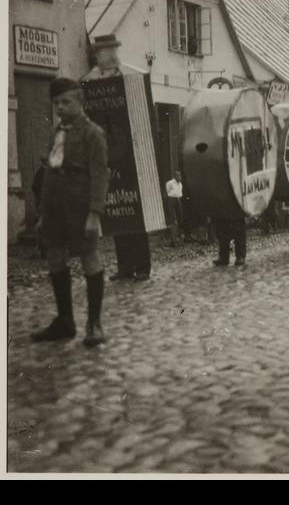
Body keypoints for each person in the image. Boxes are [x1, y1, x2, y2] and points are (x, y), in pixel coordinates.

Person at [32, 78, 110, 347]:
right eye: (56, 103)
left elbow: (100, 175)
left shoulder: (92, 133)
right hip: (55, 206)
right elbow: (50, 174)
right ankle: (65, 321)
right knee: (54, 256)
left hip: (80, 205)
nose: (60, 107)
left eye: (66, 102)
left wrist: (94, 213)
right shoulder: (56, 133)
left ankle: (94, 323)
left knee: (89, 256)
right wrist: (43, 213)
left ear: (80, 102)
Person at [85, 34, 153, 282]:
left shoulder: (129, 77)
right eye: (104, 51)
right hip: (106, 158)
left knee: (135, 217)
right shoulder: (91, 83)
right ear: (97, 54)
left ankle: (142, 267)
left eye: (112, 49)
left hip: (130, 157)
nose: (109, 55)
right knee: (116, 216)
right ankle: (125, 266)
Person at [165, 171, 184, 246]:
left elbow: (179, 193)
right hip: (171, 201)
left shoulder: (180, 184)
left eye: (180, 176)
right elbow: (167, 192)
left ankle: (179, 239)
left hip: (178, 201)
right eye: (178, 176)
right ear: (175, 176)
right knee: (174, 221)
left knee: (180, 219)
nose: (180, 177)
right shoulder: (170, 183)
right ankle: (173, 241)